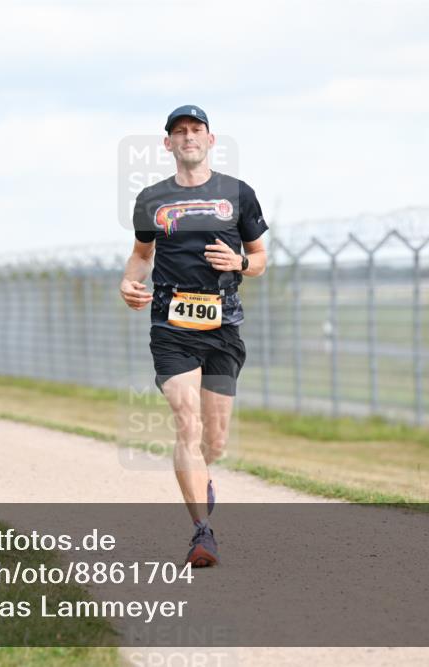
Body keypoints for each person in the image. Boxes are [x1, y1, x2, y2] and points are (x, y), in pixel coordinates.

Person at [120, 105, 268, 567]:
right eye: (179, 131)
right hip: (171, 327)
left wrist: (240, 263)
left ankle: (201, 477)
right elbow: (141, 254)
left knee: (214, 440)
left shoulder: (238, 193)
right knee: (187, 422)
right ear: (168, 143)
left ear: (210, 139)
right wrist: (128, 282)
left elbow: (260, 257)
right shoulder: (151, 199)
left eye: (196, 130)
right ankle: (202, 532)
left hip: (223, 326)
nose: (188, 137)